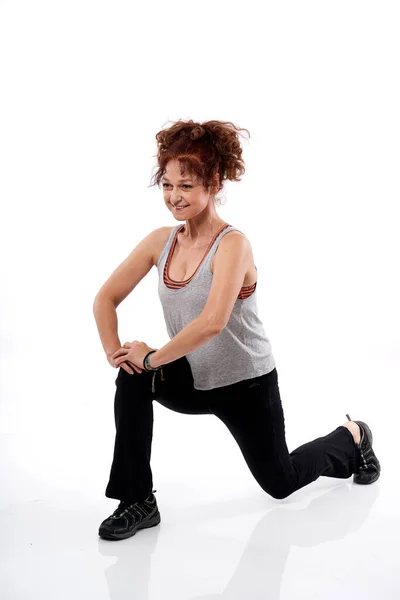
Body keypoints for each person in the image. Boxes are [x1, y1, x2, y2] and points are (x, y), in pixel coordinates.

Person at [93, 119, 381, 541]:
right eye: (168, 185)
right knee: (132, 378)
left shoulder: (233, 245)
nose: (174, 196)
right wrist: (117, 352)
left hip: (245, 385)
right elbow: (105, 298)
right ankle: (137, 500)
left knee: (281, 482)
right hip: (190, 374)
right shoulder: (160, 241)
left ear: (213, 181)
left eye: (186, 186)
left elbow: (212, 323)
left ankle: (352, 437)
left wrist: (152, 357)